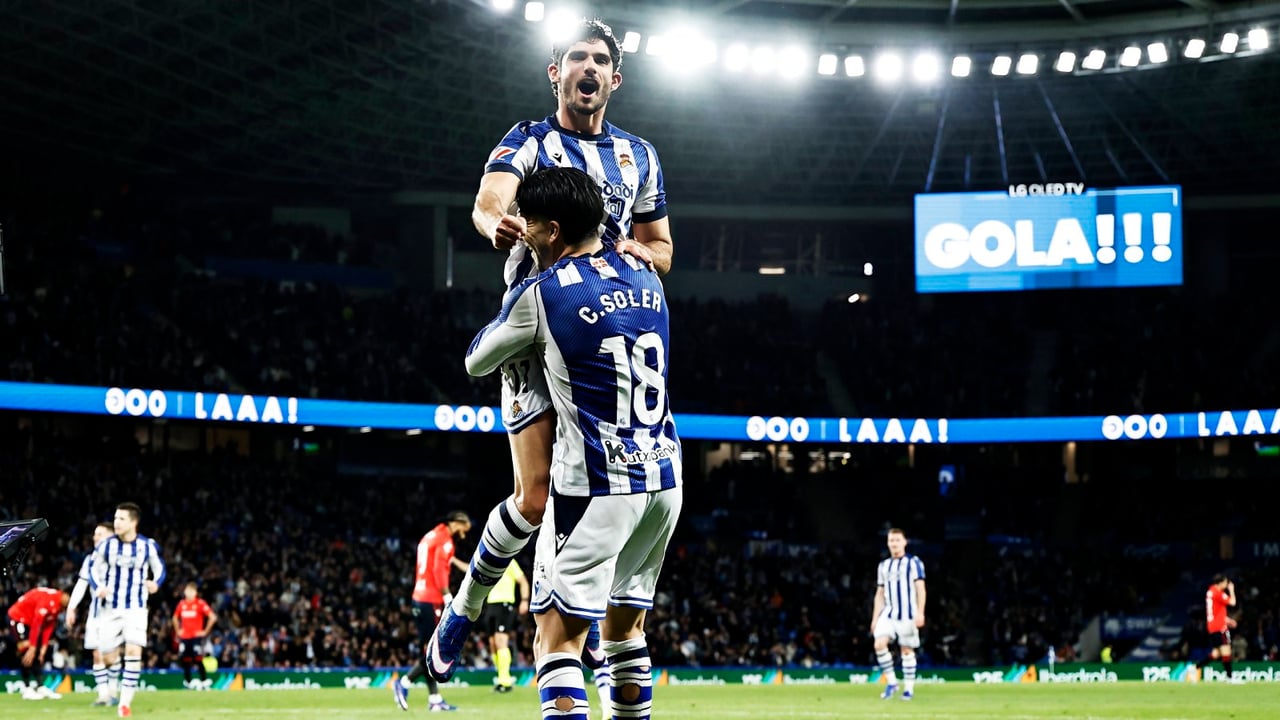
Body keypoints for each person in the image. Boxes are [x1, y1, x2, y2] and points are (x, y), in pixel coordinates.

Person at [429, 18, 672, 700]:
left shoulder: (639, 156)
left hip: (603, 327)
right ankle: (466, 607)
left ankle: (580, 622)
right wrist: (496, 224)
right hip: (535, 328)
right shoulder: (529, 140)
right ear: (555, 73)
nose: (587, 67)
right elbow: (488, 203)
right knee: (534, 498)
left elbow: (662, 248)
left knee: (610, 479)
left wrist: (640, 255)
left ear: (615, 78)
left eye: (599, 59)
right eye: (576, 58)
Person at [464, 166, 683, 720]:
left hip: (598, 486)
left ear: (554, 230)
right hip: (663, 478)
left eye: (530, 223)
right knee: (625, 631)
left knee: (556, 640)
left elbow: (476, 360)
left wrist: (514, 305)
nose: (524, 231)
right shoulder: (646, 274)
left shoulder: (543, 295)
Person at [90, 501, 166, 718]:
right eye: (115, 518)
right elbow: (93, 569)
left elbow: (160, 567)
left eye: (121, 519)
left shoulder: (147, 545)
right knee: (108, 658)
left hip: (136, 608)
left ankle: (124, 704)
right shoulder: (106, 546)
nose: (116, 523)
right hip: (110, 609)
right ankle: (114, 673)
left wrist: (156, 583)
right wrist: (98, 586)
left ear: (134, 522)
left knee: (134, 651)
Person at [392, 511, 471, 712]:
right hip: (431, 599)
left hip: (419, 597)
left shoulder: (430, 536)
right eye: (464, 529)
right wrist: (447, 597)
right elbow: (438, 569)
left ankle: (434, 699)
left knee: (429, 649)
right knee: (435, 651)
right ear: (456, 523)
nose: (464, 535)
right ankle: (404, 682)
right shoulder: (445, 541)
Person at [870, 528, 927, 701]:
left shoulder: (914, 562)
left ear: (904, 542)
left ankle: (908, 690)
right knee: (879, 644)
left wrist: (920, 612)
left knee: (907, 650)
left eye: (897, 540)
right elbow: (880, 593)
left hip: (907, 614)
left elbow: (920, 588)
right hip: (889, 613)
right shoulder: (884, 566)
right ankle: (892, 683)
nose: (894, 543)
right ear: (888, 543)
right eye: (891, 540)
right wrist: (875, 618)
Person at [66, 521, 116, 705]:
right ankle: (103, 695)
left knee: (111, 657)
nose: (95, 537)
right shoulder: (90, 559)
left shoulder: (121, 557)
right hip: (96, 615)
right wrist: (71, 607)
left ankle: (112, 691)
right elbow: (81, 584)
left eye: (100, 534)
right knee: (97, 654)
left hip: (116, 614)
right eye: (95, 534)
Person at [8, 586, 70, 700]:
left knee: (36, 652)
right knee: (26, 650)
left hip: (30, 622)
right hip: (18, 617)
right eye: (69, 598)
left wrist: (44, 646)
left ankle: (40, 686)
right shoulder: (48, 601)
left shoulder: (59, 605)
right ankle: (26, 688)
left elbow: (49, 625)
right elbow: (37, 622)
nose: (69, 602)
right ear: (64, 593)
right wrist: (32, 647)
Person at [482, 559, 530, 693]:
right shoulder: (489, 559)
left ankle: (506, 681)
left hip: (505, 603)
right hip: (491, 604)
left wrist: (524, 600)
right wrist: (454, 561)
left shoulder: (509, 561)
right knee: (492, 644)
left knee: (500, 642)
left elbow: (523, 581)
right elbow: (471, 569)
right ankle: (501, 678)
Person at [172, 582, 217, 689]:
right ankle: (187, 682)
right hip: (184, 637)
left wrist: (205, 631)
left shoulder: (200, 603)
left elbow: (213, 617)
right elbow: (174, 618)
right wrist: (178, 630)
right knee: (185, 659)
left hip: (196, 637)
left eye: (190, 591)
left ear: (195, 592)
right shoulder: (182, 604)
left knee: (197, 658)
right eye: (187, 591)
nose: (188, 593)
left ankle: (204, 681)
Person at [1198, 573, 1238, 681]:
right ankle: (1230, 677)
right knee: (1226, 650)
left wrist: (1227, 620)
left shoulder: (1210, 591)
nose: (1226, 584)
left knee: (1216, 653)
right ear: (1220, 583)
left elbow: (1216, 611)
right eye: (1225, 582)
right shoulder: (1218, 593)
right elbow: (1233, 602)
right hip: (1221, 627)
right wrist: (1231, 590)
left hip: (1213, 626)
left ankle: (1196, 667)